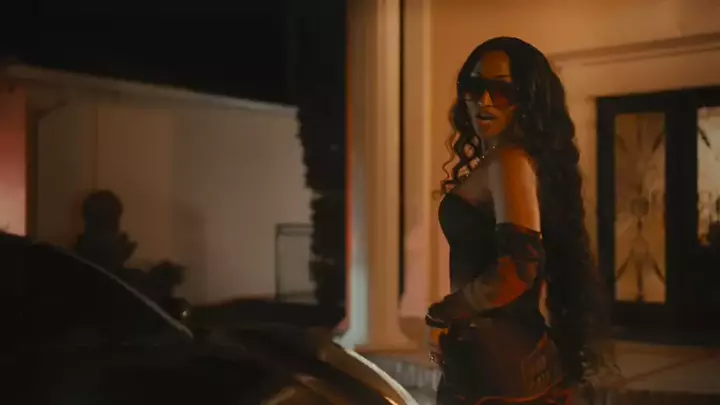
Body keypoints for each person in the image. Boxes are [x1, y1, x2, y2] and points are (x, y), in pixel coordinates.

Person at [425, 37, 610, 405]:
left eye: (502, 91)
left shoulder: (510, 162)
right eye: (475, 87)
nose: (485, 101)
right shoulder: (507, 161)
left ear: (527, 99)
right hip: (502, 357)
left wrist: (444, 312)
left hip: (499, 366)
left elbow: (519, 268)